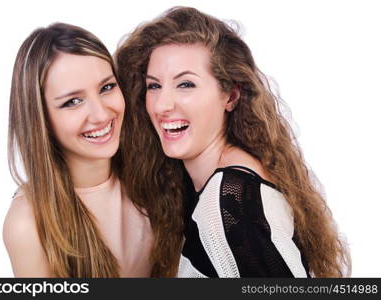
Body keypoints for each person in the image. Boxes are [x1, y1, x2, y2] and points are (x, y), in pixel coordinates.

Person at [115, 6, 351, 277]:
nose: (162, 105)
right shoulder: (214, 185)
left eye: (186, 84)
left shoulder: (230, 203)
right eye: (154, 86)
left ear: (230, 96)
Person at [3, 23, 182, 277]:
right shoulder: (28, 224)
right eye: (73, 102)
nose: (100, 114)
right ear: (40, 119)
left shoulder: (154, 170)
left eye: (107, 87)